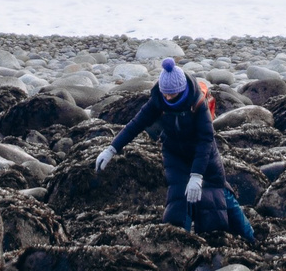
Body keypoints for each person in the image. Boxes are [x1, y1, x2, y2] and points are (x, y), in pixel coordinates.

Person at [97, 57, 255, 239]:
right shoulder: (159, 100)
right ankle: (182, 242)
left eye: (172, 94)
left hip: (204, 156)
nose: (168, 97)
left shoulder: (197, 104)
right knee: (179, 200)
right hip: (175, 156)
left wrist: (197, 175)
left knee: (218, 194)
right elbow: (136, 124)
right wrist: (112, 149)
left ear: (181, 90)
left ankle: (250, 237)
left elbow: (206, 140)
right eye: (165, 94)